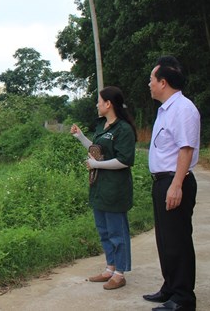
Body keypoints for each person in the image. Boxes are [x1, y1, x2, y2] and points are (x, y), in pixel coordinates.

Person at [143, 56, 200, 311]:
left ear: (163, 82)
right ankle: (170, 287)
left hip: (175, 181)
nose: (149, 84)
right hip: (162, 181)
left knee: (178, 240)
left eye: (152, 80)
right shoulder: (165, 110)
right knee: (165, 240)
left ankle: (183, 298)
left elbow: (185, 150)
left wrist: (176, 185)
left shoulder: (183, 109)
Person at [71, 86, 137, 290]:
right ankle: (110, 268)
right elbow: (97, 151)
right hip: (100, 187)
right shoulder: (103, 126)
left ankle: (120, 273)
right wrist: (81, 137)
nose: (97, 105)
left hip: (115, 189)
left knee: (117, 231)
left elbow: (125, 160)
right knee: (104, 230)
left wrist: (97, 165)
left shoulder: (123, 129)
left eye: (99, 101)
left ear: (108, 104)